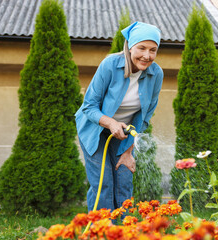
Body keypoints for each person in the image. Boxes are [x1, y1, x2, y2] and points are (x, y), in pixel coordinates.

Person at [75, 21, 164, 212]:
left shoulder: (156, 74)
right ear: (130, 46)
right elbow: (89, 106)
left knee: (124, 180)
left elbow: (145, 117)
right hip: (94, 127)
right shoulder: (110, 65)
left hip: (124, 133)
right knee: (103, 183)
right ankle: (103, 231)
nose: (147, 55)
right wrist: (111, 123)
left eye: (153, 50)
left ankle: (125, 230)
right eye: (141, 48)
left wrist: (128, 151)